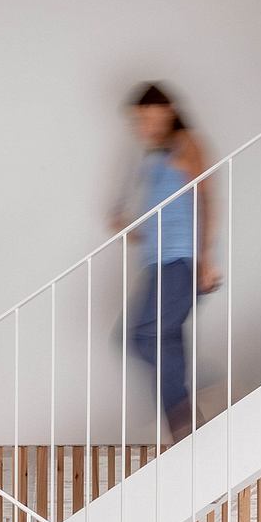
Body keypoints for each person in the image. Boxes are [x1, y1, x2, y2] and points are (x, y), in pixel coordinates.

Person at [112, 82, 220, 440]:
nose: (145, 127)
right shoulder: (154, 156)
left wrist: (205, 260)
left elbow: (206, 202)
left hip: (180, 261)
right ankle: (187, 420)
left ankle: (186, 417)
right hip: (158, 261)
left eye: (150, 118)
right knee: (156, 338)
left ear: (169, 111)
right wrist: (132, 230)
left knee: (146, 337)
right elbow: (164, 217)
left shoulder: (186, 144)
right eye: (139, 121)